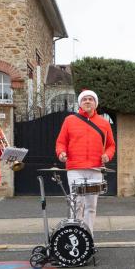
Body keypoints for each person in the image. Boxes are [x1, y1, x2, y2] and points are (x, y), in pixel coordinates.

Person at [56, 89, 116, 233]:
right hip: (75, 168)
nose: (87, 101)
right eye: (84, 99)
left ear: (95, 104)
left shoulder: (104, 123)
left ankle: (88, 237)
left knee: (91, 206)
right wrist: (61, 153)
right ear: (80, 103)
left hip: (96, 169)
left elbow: (111, 145)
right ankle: (76, 236)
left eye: (91, 99)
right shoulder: (69, 120)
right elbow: (60, 142)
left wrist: (108, 155)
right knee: (76, 204)